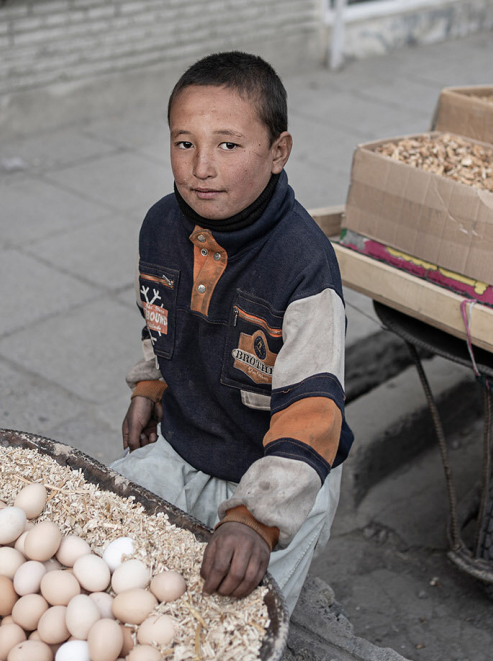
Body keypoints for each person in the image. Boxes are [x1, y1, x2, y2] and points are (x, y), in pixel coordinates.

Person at [111, 51, 353, 614]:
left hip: (280, 472)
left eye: (228, 145)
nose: (201, 167)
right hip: (186, 443)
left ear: (278, 153)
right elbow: (158, 318)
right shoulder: (160, 227)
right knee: (103, 561)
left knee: (234, 617)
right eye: (184, 142)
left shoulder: (303, 265)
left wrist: (255, 520)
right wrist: (150, 387)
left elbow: (313, 413)